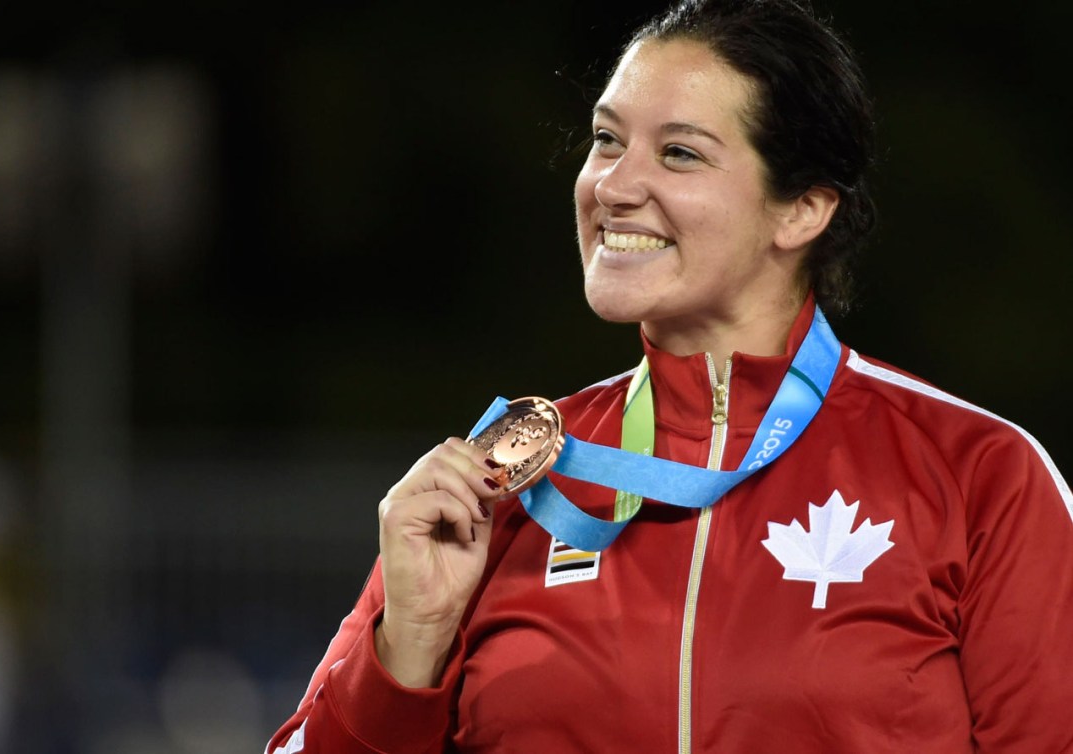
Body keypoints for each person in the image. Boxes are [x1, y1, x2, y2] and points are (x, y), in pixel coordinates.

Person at [266, 0, 1073, 751]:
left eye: (679, 153)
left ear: (803, 209)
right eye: (607, 139)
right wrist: (409, 642)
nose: (613, 186)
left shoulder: (977, 477)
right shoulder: (503, 482)